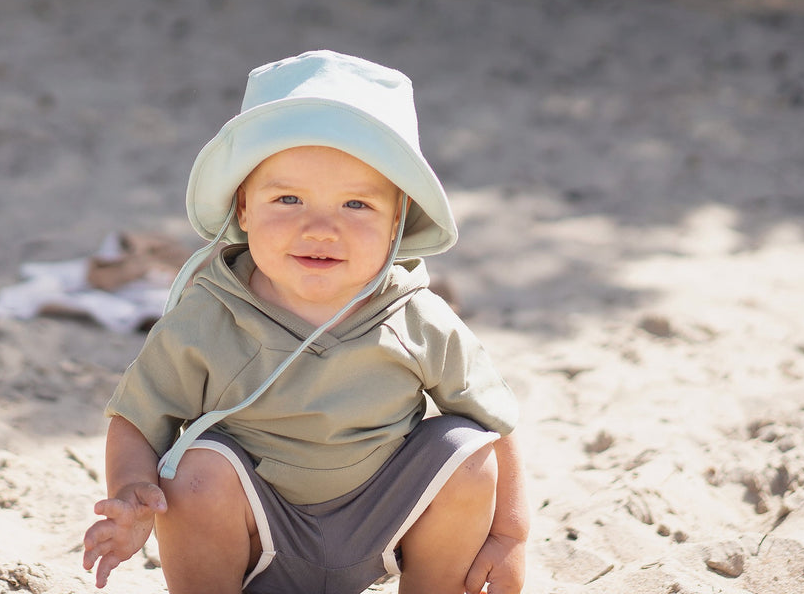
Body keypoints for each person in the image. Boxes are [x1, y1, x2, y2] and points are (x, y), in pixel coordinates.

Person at [83, 50, 528, 594]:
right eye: (288, 198)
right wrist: (130, 490)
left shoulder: (415, 315)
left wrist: (510, 535)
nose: (320, 228)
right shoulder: (210, 314)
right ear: (244, 207)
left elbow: (496, 420)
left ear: (397, 221)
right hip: (253, 529)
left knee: (466, 446)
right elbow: (136, 415)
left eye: (356, 205)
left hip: (384, 521)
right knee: (194, 469)